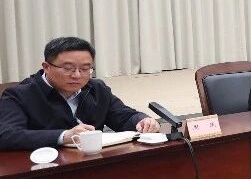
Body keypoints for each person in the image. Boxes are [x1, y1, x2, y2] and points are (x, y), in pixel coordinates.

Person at [0, 37, 160, 151]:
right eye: (68, 68)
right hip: (44, 168)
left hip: (93, 163)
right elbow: (7, 136)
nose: (77, 75)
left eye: (85, 69)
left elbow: (123, 117)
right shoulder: (19, 95)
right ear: (46, 67)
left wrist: (142, 120)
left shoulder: (97, 88)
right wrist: (64, 136)